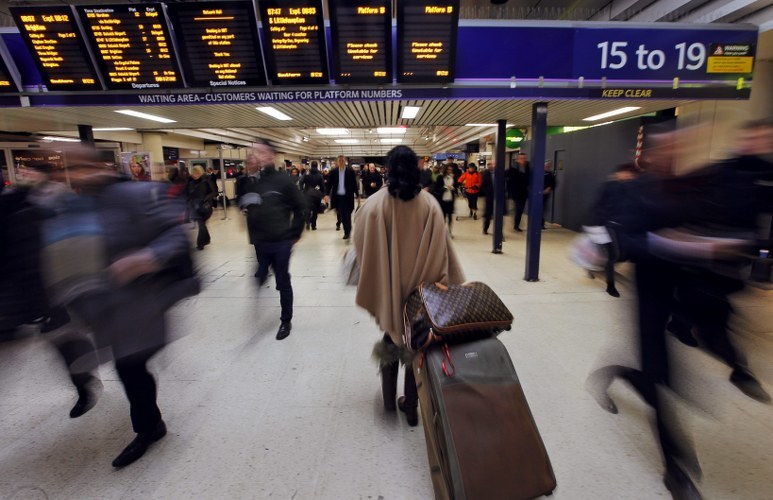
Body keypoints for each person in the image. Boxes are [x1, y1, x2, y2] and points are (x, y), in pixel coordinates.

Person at [44, 151, 199, 468]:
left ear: (102, 165)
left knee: (130, 367)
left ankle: (148, 429)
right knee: (128, 367)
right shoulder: (75, 206)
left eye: (84, 167)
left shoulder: (139, 194)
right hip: (102, 308)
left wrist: (150, 256)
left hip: (139, 305)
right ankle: (150, 424)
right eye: (73, 168)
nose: (80, 175)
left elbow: (175, 234)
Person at [353, 145, 464, 427]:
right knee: (417, 343)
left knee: (392, 336)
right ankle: (412, 406)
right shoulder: (430, 205)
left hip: (390, 288)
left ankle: (390, 402)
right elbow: (443, 251)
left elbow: (360, 244)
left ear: (388, 168)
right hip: (422, 290)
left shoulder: (374, 205)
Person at [239, 141, 306, 340]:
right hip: (261, 241)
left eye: (260, 152)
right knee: (260, 274)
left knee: (282, 280)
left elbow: (301, 206)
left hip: (281, 241)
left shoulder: (283, 180)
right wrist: (247, 210)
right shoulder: (254, 181)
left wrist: (295, 233)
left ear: (270, 155)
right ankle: (263, 274)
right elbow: (248, 203)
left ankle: (286, 320)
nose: (256, 155)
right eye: (255, 152)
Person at [325, 155, 359, 240]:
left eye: (342, 160)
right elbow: (329, 184)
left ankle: (348, 230)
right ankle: (346, 231)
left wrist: (358, 195)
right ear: (337, 162)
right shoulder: (333, 172)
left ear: (345, 162)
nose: (341, 162)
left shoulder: (350, 171)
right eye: (339, 161)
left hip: (348, 197)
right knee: (342, 215)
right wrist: (326, 194)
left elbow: (354, 184)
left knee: (347, 214)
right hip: (338, 197)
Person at [186, 165, 216, 250]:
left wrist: (205, 200)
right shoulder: (190, 183)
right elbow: (187, 194)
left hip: (205, 206)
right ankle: (203, 242)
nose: (195, 175)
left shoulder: (206, 181)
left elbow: (213, 192)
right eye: (194, 173)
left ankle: (202, 242)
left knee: (202, 224)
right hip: (194, 207)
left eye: (197, 173)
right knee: (201, 224)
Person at [508, 152, 530, 231]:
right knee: (518, 208)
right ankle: (516, 225)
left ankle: (516, 224)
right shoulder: (513, 168)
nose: (522, 160)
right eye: (521, 158)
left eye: (524, 158)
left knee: (520, 209)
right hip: (515, 193)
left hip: (523, 193)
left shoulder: (528, 168)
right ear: (517, 159)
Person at [300, 161, 325, 230]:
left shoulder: (307, 172)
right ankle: (313, 226)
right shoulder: (320, 174)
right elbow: (322, 185)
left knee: (307, 209)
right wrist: (323, 194)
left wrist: (302, 189)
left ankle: (307, 222)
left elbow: (301, 181)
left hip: (307, 193)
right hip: (317, 194)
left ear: (311, 165)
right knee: (315, 210)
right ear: (317, 166)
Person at [433, 163, 457, 236]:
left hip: (450, 200)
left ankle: (449, 231)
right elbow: (436, 189)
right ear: (445, 170)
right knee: (442, 217)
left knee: (450, 217)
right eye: (448, 169)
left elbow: (455, 187)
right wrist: (445, 188)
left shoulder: (452, 177)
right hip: (442, 200)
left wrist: (453, 188)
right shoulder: (440, 177)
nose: (450, 171)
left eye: (451, 170)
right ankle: (442, 232)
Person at [480, 161, 496, 234]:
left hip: (498, 197)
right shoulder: (486, 173)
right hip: (489, 196)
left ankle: (498, 231)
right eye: (489, 164)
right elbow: (483, 184)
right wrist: (486, 193)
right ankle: (485, 228)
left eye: (492, 164)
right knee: (488, 214)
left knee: (498, 215)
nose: (491, 166)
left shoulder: (499, 172)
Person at [542, 160, 557, 229]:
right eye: (545, 166)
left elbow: (553, 183)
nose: (546, 167)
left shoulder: (550, 174)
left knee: (542, 209)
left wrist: (549, 188)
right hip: (538, 194)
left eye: (547, 166)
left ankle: (541, 224)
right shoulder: (539, 173)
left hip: (545, 194)